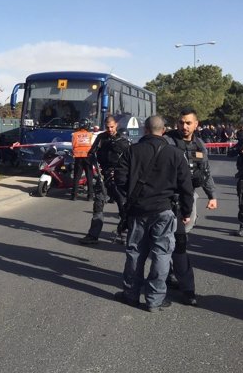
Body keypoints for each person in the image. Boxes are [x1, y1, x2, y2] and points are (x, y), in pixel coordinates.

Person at [114, 115, 194, 312]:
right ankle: (155, 300)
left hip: (138, 210)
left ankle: (131, 295)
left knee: (135, 253)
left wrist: (132, 195)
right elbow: (186, 187)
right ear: (163, 130)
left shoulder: (131, 151)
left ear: (145, 130)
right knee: (162, 255)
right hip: (165, 210)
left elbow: (119, 179)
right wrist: (186, 211)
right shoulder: (175, 154)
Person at [164, 107, 218, 307]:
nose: (184, 126)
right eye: (181, 122)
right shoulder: (168, 141)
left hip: (189, 197)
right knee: (175, 239)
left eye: (188, 123)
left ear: (196, 124)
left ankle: (172, 268)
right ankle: (176, 277)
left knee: (183, 234)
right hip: (169, 196)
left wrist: (211, 195)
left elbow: (205, 171)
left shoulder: (199, 145)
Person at [79, 116, 130, 245]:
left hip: (119, 177)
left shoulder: (122, 140)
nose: (110, 129)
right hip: (104, 176)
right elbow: (92, 152)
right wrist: (93, 162)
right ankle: (93, 235)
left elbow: (129, 159)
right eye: (107, 127)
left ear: (116, 125)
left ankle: (124, 234)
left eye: (112, 127)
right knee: (98, 205)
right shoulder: (101, 138)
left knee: (123, 206)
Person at [71, 119, 94, 200]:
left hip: (78, 157)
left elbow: (73, 146)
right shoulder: (90, 135)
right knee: (89, 176)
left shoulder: (75, 134)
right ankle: (90, 196)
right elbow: (93, 146)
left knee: (77, 177)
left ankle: (74, 196)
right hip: (88, 157)